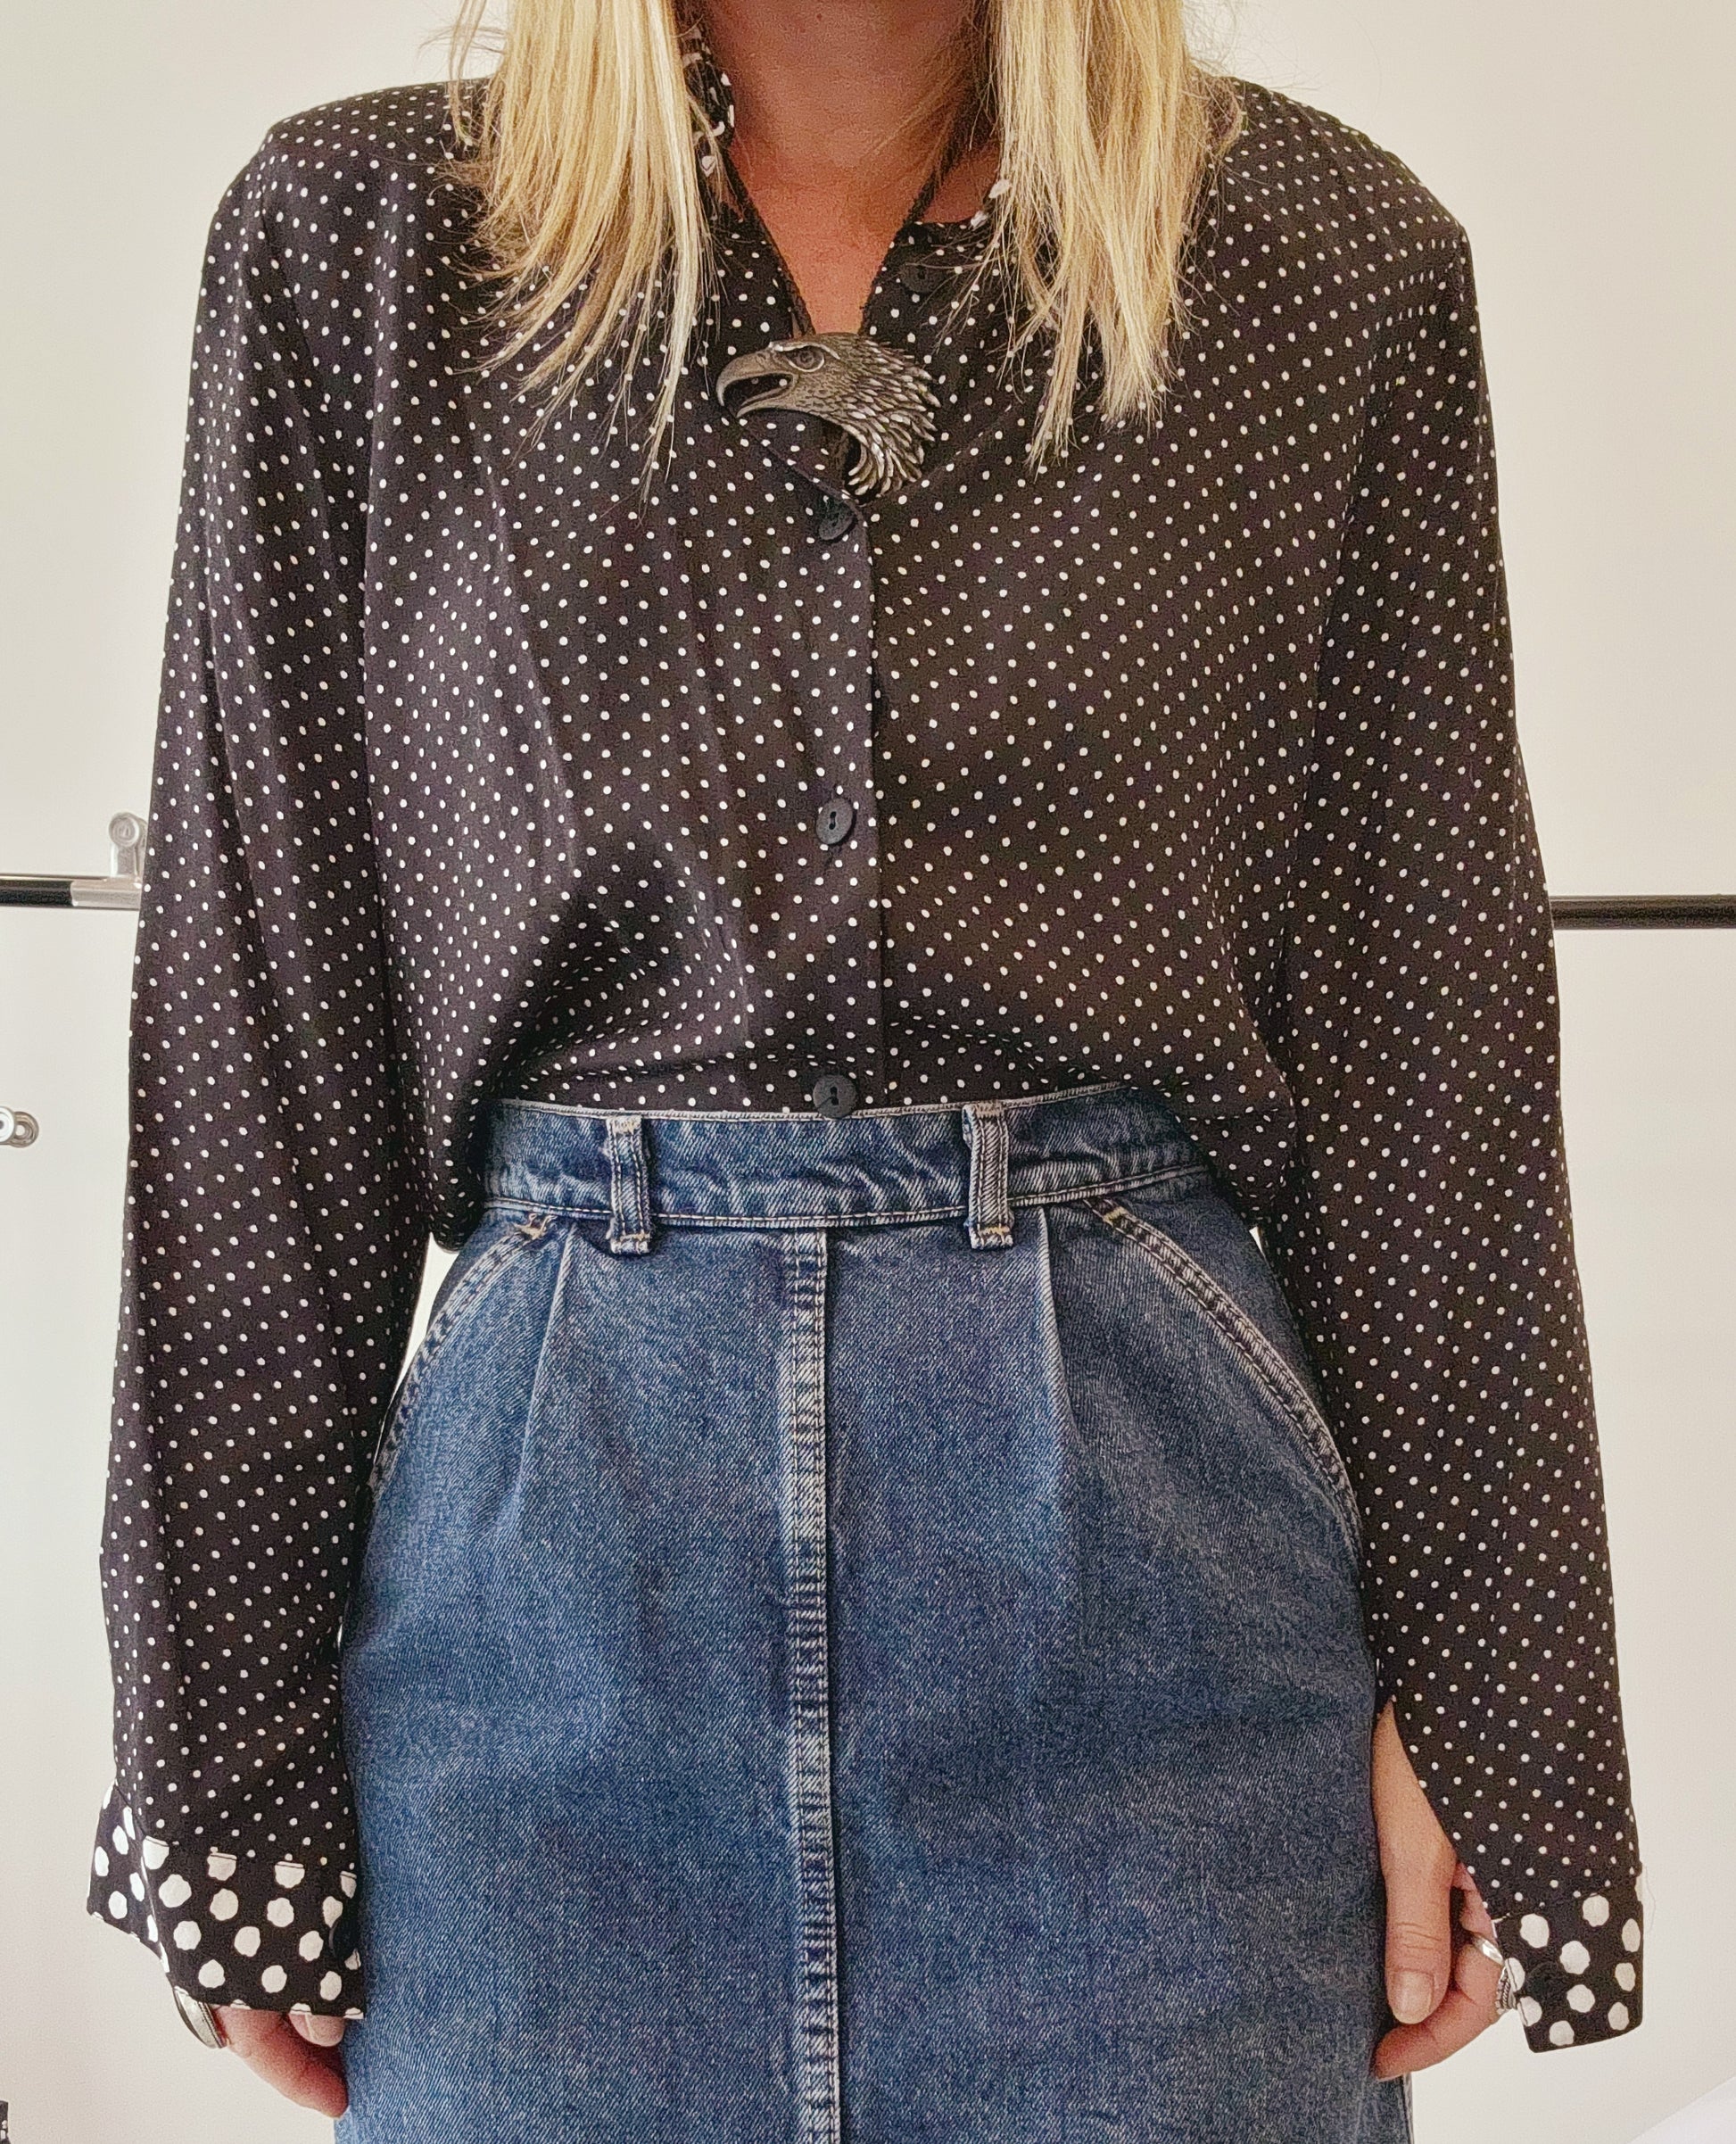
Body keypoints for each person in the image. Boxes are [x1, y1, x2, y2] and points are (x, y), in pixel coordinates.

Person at [87, 0, 1645, 2135]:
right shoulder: (359, 248)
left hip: (1163, 1621)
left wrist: (1494, 1707)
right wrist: (224, 1771)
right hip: (545, 1637)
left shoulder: (1316, 255)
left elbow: (1424, 1035)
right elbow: (259, 1051)